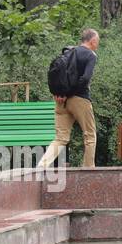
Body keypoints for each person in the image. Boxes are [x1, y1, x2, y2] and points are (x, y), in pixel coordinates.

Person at [38, 27, 100, 169]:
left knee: (60, 138)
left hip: (61, 101)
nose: (98, 44)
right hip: (80, 100)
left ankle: (42, 166)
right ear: (93, 40)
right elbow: (85, 79)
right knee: (90, 135)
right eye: (98, 41)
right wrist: (70, 93)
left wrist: (61, 94)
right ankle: (89, 168)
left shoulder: (69, 52)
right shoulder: (91, 55)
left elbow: (56, 76)